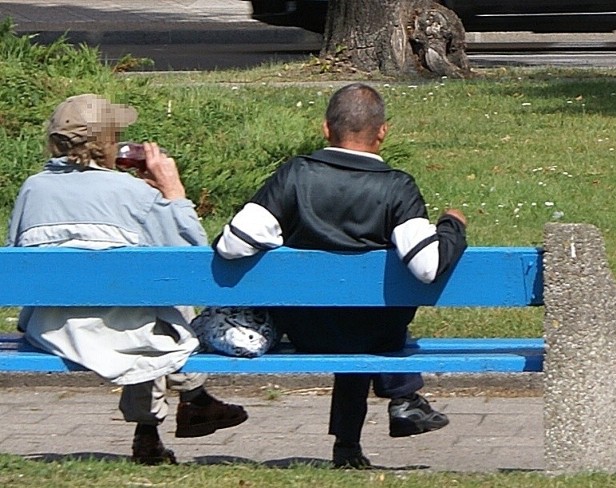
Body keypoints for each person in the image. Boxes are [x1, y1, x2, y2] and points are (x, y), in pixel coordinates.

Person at [215, 83, 468, 468]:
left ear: (325, 128)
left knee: (346, 316)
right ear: (382, 132)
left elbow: (233, 245)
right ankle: (397, 404)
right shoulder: (397, 187)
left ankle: (357, 440)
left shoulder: (295, 176)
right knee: (365, 320)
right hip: (377, 331)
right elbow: (427, 266)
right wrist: (452, 227)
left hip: (306, 329)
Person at [6, 94, 248, 465]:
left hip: (52, 327)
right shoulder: (134, 194)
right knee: (156, 301)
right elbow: (192, 260)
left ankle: (170, 419)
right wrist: (172, 192)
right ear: (107, 144)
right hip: (131, 336)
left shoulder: (32, 189)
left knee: (142, 301)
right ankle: (186, 403)